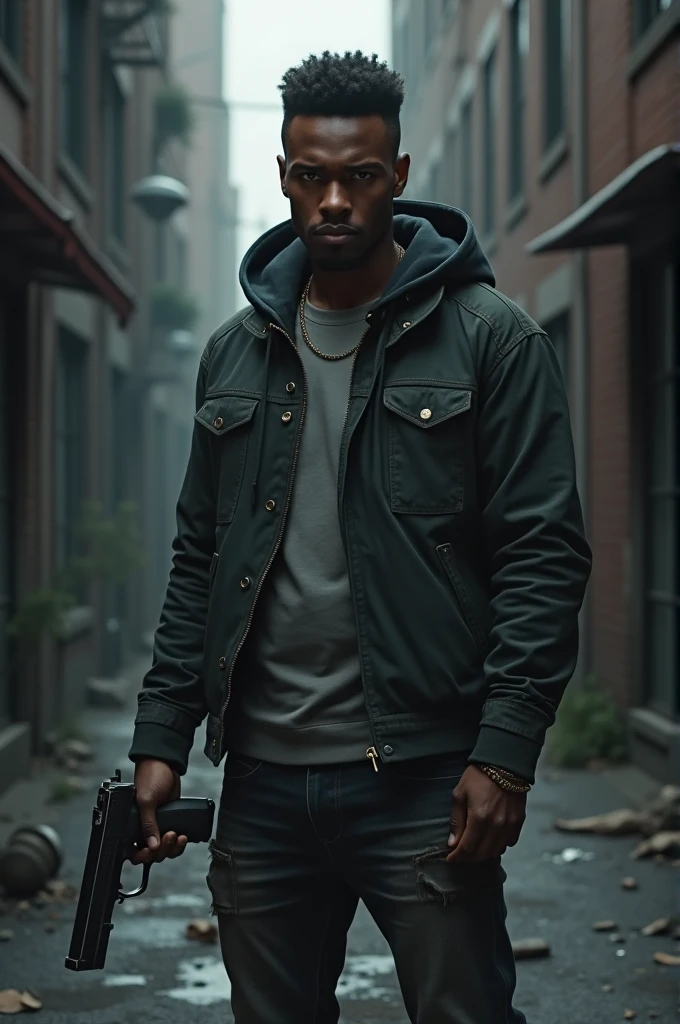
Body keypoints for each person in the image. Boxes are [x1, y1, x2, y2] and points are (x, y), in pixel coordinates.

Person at [128, 50, 592, 1023]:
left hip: (423, 779)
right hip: (258, 785)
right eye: (312, 176)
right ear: (285, 174)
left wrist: (502, 756)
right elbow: (198, 561)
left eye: (359, 176)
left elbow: (540, 556)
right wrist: (161, 737)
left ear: (400, 175)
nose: (333, 199)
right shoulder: (235, 351)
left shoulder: (489, 339)